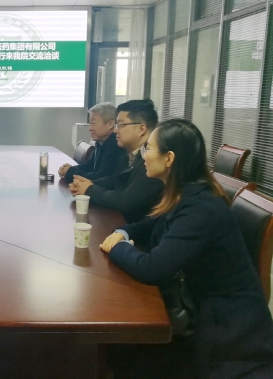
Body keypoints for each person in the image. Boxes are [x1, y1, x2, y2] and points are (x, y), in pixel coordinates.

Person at [101, 119, 273, 379]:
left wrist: (118, 247)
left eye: (149, 148)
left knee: (127, 356)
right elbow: (154, 225)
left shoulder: (200, 207)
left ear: (169, 158)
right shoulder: (186, 192)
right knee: (122, 352)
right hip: (198, 307)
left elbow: (152, 268)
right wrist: (123, 232)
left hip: (227, 333)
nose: (144, 155)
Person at [70, 99, 163, 223]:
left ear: (141, 129)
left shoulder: (154, 161)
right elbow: (116, 179)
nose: (115, 130)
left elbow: (126, 201)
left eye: (121, 125)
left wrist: (89, 189)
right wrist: (88, 183)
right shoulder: (129, 154)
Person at [58, 102, 127, 183]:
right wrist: (71, 169)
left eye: (93, 123)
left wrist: (71, 173)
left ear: (110, 124)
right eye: (90, 123)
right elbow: (89, 165)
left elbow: (100, 177)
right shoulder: (100, 142)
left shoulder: (116, 146)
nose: (90, 128)